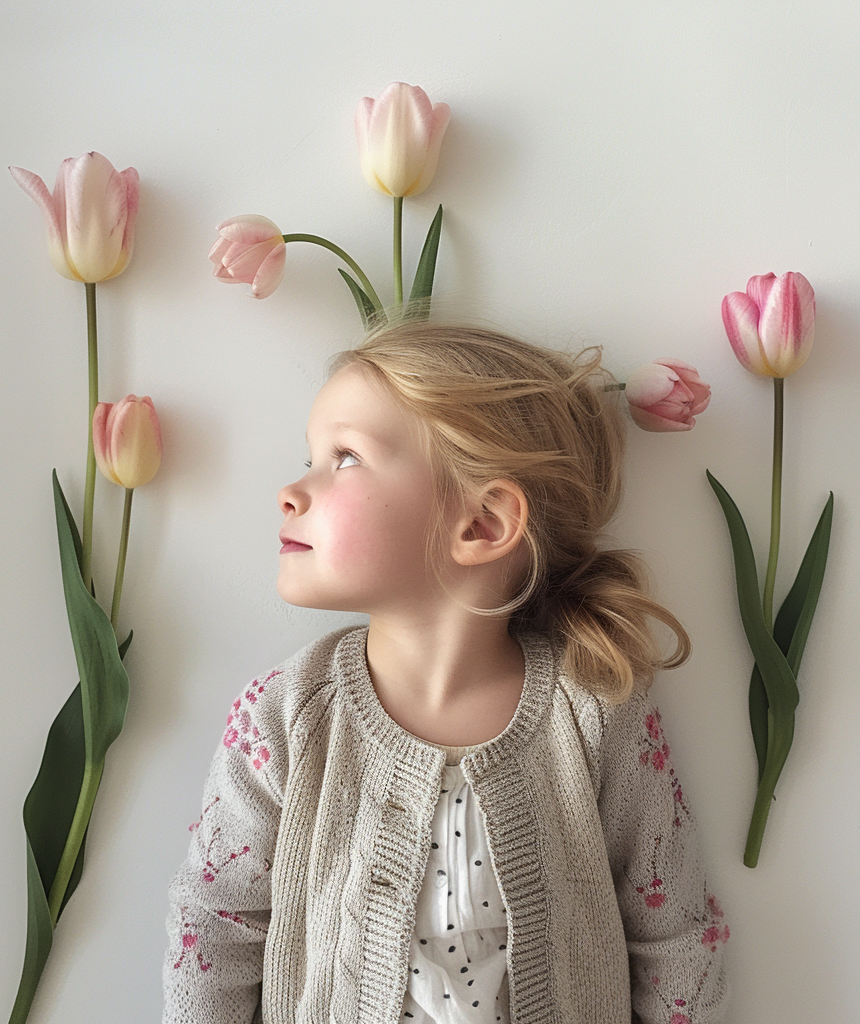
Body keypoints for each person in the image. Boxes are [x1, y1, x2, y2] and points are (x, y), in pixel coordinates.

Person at [162, 321, 729, 1024]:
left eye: (343, 458)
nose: (290, 490)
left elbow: (675, 934)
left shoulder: (596, 710)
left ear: (483, 525)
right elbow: (213, 932)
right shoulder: (283, 716)